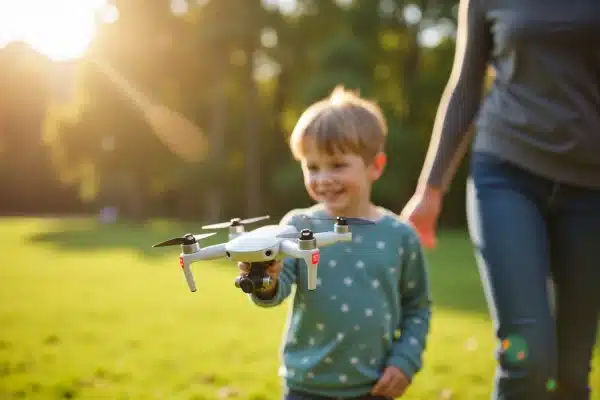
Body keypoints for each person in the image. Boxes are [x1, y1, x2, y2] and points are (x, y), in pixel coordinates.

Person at [400, 0, 600, 399]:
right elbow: (464, 86)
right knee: (527, 357)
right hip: (507, 173)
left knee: (571, 370)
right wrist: (430, 189)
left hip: (590, 189)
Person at [238, 86, 432, 400]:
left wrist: (405, 361)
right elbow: (276, 290)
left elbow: (417, 308)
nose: (323, 178)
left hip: (375, 388)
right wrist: (264, 279)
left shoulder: (400, 237)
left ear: (375, 167)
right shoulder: (299, 226)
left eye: (338, 165)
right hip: (305, 387)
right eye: (312, 167)